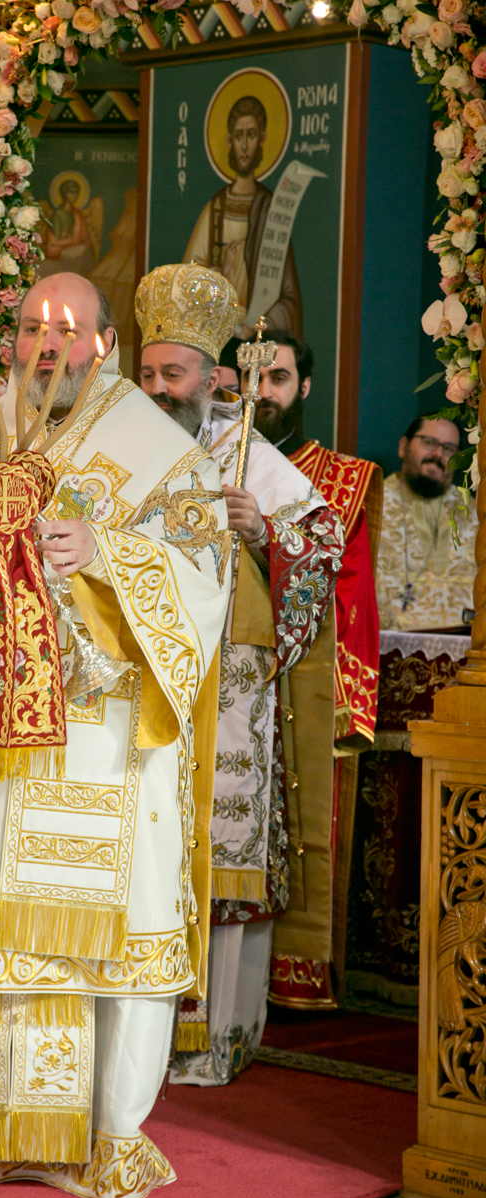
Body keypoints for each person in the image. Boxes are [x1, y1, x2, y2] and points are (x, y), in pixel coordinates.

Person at [0, 271, 233, 1195]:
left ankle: (103, 1137)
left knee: (104, 943)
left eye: (65, 330)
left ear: (103, 342)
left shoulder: (155, 449)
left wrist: (105, 553)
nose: (45, 344)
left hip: (104, 748)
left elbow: (205, 573)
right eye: (30, 326)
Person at [135, 263, 344, 1085]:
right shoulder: (118, 446)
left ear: (208, 376)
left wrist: (264, 534)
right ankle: (136, 1042)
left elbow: (321, 543)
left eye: (171, 374)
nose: (157, 388)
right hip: (145, 677)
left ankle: (212, 1039)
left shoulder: (241, 445)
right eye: (146, 374)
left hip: (229, 685)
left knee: (219, 854)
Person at [247, 329, 382, 1010]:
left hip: (304, 675)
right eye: (251, 377)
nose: (261, 393)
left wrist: (350, 704)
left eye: (277, 378)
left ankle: (292, 972)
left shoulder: (344, 480)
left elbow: (352, 596)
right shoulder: (212, 463)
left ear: (303, 387)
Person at [183, 96, 301, 339]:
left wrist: (260, 324)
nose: (245, 145)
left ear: (262, 139)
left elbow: (288, 297)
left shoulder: (271, 211)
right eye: (238, 136)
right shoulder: (216, 208)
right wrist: (208, 282)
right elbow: (187, 278)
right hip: (218, 334)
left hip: (256, 337)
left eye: (251, 135)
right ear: (229, 141)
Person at [377, 414, 476, 631]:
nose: (438, 454)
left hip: (463, 653)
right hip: (382, 651)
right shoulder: (371, 505)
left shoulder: (475, 514)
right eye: (429, 442)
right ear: (403, 446)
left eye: (449, 449)